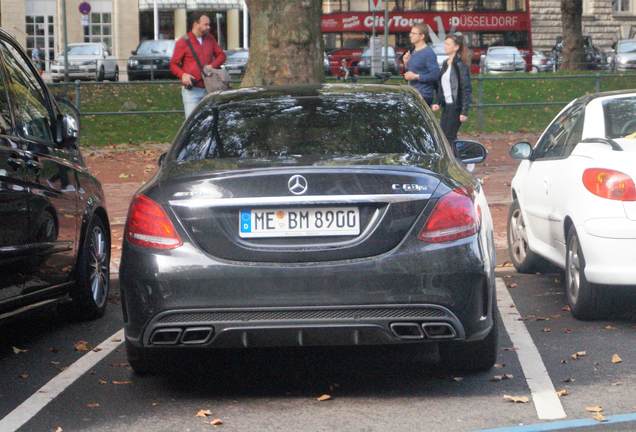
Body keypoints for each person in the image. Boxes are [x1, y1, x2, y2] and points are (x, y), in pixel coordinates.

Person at [170, 12, 226, 118]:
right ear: (196, 24)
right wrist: (183, 75)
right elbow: (173, 64)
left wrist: (212, 65)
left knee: (211, 123)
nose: (208, 27)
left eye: (209, 24)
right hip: (192, 91)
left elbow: (222, 55)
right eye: (205, 24)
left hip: (210, 89)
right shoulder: (182, 42)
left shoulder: (210, 39)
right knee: (193, 126)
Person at [431, 33, 472, 144]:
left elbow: (466, 88)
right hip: (447, 107)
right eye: (445, 44)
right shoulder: (445, 63)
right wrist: (437, 102)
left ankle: (457, 159)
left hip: (455, 107)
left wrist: (464, 111)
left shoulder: (460, 65)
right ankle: (456, 158)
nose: (445, 46)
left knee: (448, 137)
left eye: (448, 44)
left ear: (456, 47)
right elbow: (440, 85)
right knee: (443, 137)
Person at [402, 24, 439, 106]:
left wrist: (416, 76)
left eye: (414, 33)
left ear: (422, 36)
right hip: (412, 94)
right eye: (410, 33)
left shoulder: (428, 53)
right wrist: (406, 63)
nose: (410, 35)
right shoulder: (412, 51)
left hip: (423, 96)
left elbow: (435, 75)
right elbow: (408, 75)